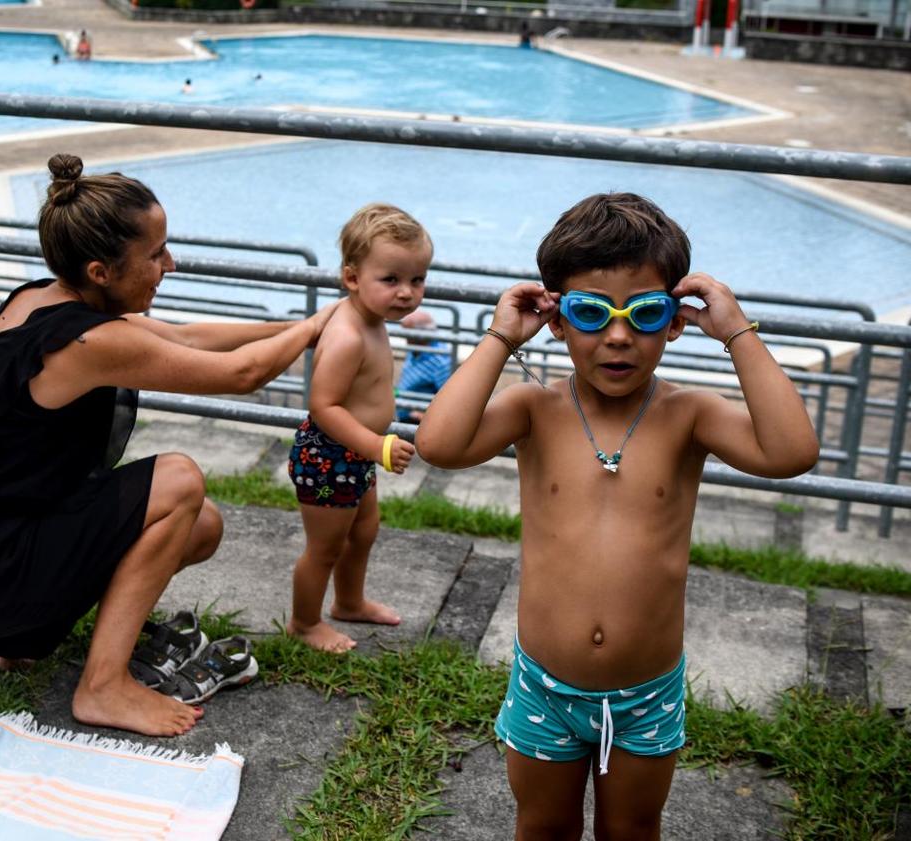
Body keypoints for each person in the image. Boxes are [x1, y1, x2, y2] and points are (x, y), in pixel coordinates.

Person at [416, 192, 818, 838]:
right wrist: (498, 336)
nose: (619, 335)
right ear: (556, 318)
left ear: (678, 320)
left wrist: (738, 331)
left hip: (645, 695)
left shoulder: (689, 415)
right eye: (590, 312)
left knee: (632, 828)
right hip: (545, 686)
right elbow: (438, 442)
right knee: (542, 825)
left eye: (646, 312)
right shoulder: (534, 411)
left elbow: (793, 450)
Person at [0, 153, 336, 738]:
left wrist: (311, 325)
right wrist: (316, 329)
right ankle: (102, 687)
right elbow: (239, 375)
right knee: (179, 479)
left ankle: (20, 640)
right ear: (102, 271)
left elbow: (188, 337)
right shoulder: (86, 341)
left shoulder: (42, 299)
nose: (169, 264)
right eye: (155, 255)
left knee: (200, 525)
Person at [285, 203, 431, 653]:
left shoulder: (369, 316)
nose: (406, 293)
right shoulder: (349, 335)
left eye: (417, 279)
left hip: (354, 454)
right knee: (325, 547)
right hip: (328, 457)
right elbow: (323, 405)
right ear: (352, 278)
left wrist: (369, 449)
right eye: (391, 280)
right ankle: (305, 623)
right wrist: (377, 445)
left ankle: (348, 602)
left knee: (363, 530)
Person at [395, 309, 452, 423]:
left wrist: (423, 414)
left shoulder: (440, 360)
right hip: (401, 409)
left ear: (420, 335)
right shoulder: (415, 349)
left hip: (415, 418)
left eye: (407, 334)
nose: (405, 338)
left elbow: (449, 397)